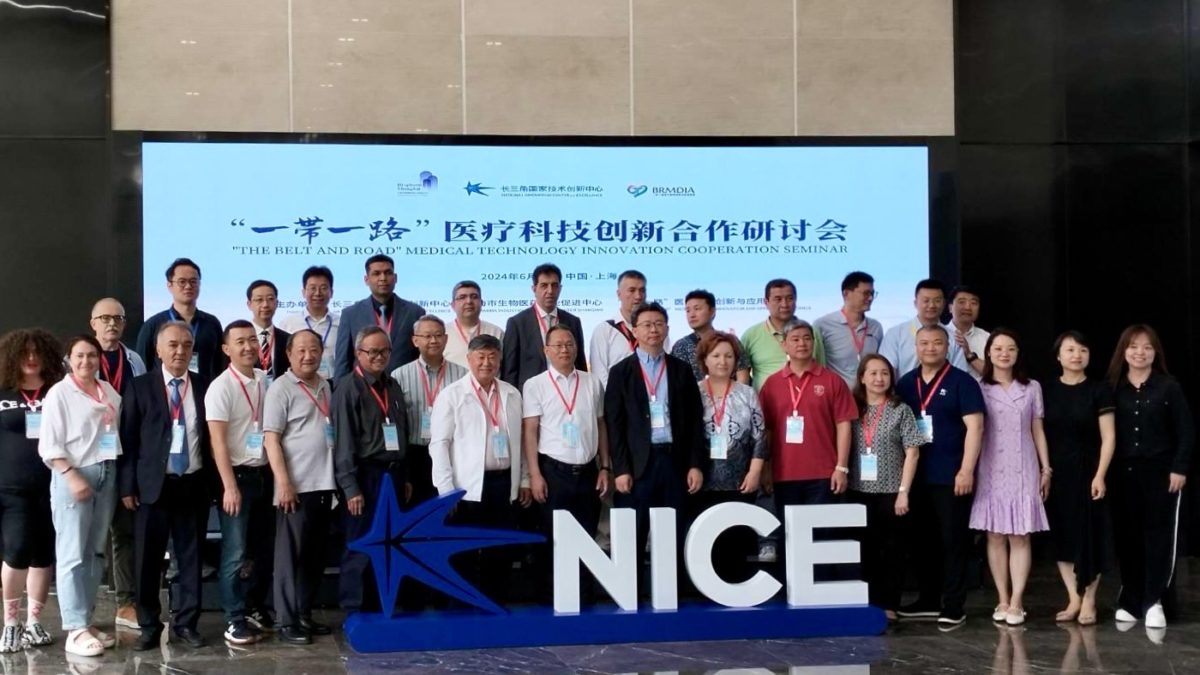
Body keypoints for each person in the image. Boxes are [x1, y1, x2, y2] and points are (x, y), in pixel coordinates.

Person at [119, 322, 212, 650]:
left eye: (186, 345)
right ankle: (148, 624)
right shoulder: (139, 387)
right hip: (151, 487)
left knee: (191, 558)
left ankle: (186, 623)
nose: (179, 351)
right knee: (147, 559)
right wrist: (127, 486)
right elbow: (128, 440)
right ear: (158, 350)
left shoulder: (205, 385)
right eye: (172, 345)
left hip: (193, 484)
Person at [605, 302, 705, 582]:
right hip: (638, 467)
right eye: (647, 325)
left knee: (673, 532)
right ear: (635, 330)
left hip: (674, 462)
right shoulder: (620, 372)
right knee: (634, 534)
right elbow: (615, 425)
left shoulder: (681, 370)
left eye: (659, 324)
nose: (653, 330)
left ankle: (671, 591)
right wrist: (621, 469)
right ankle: (631, 591)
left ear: (667, 329)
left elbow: (695, 422)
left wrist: (695, 464)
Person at [894, 325, 985, 627]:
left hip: (951, 475)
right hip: (916, 476)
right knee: (923, 540)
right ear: (916, 347)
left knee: (953, 540)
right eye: (924, 343)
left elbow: (976, 428)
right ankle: (929, 599)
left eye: (937, 343)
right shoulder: (906, 383)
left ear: (948, 347)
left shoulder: (962, 382)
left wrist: (966, 470)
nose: (930, 348)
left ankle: (954, 604)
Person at [430, 335, 531, 605]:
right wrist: (446, 490)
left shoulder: (512, 393)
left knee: (499, 549)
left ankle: (494, 606)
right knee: (463, 551)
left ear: (500, 360)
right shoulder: (452, 395)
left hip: (503, 484)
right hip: (466, 488)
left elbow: (520, 442)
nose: (487, 363)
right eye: (481, 357)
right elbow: (439, 445)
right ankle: (461, 610)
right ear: (469, 359)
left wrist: (523, 479)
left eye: (492, 357)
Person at [38, 335, 121, 657]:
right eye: (80, 356)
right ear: (69, 360)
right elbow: (49, 444)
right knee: (72, 555)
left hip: (107, 473)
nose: (86, 361)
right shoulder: (60, 393)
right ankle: (74, 628)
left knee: (95, 553)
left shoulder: (107, 390)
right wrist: (71, 475)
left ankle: (86, 621)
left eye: (92, 355)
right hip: (74, 475)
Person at [1106, 324, 1194, 629]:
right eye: (1133, 346)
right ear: (1123, 351)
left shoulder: (1169, 387)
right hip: (1123, 475)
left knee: (1159, 537)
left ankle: (1156, 599)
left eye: (1146, 347)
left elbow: (1186, 431)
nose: (1139, 352)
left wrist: (1179, 467)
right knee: (1128, 537)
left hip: (1162, 475)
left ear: (1155, 352)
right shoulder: (1113, 387)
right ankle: (1132, 598)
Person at [968, 328, 1051, 626]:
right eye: (998, 348)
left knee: (1020, 535)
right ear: (988, 353)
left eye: (1011, 348)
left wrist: (1046, 467)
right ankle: (1002, 598)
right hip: (990, 465)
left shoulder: (1032, 387)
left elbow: (1037, 429)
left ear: (1018, 354)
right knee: (994, 535)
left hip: (1023, 466)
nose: (1004, 353)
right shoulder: (978, 387)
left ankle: (1017, 601)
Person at [522, 324, 609, 598]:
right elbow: (530, 431)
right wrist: (534, 474)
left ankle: (583, 597)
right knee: (554, 537)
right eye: (558, 345)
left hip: (588, 472)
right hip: (553, 472)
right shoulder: (535, 385)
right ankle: (554, 597)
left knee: (587, 535)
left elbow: (601, 425)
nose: (564, 349)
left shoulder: (592, 382)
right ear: (546, 350)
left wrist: (605, 466)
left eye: (569, 344)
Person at [263, 330, 338, 645]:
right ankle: (286, 620)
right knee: (289, 558)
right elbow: (271, 439)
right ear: (289, 354)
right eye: (302, 350)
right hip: (296, 487)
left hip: (324, 484)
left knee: (313, 557)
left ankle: (304, 613)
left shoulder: (326, 385)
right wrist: (283, 483)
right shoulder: (280, 388)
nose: (308, 356)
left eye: (314, 349)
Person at [204, 320, 275, 645]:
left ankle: (253, 607)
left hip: (264, 475)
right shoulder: (221, 387)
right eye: (240, 342)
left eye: (252, 340)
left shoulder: (264, 379)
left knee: (262, 549)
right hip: (236, 477)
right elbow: (217, 443)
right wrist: (229, 486)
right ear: (226, 349)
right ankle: (233, 619)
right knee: (234, 552)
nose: (248, 347)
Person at [333, 326, 408, 615]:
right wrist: (350, 487)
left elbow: (401, 432)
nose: (379, 356)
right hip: (365, 476)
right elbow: (344, 442)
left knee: (389, 542)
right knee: (360, 544)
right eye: (372, 351)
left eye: (384, 351)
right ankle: (355, 610)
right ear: (358, 353)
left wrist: (405, 476)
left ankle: (381, 606)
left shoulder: (393, 385)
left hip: (393, 475)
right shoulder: (348, 388)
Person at [1043, 330, 1114, 626]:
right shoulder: (1046, 390)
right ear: (1059, 356)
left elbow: (1109, 437)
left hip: (1089, 471)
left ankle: (1089, 600)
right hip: (1057, 473)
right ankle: (1073, 597)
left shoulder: (1099, 390)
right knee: (1062, 536)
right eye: (1070, 350)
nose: (1077, 355)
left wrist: (1101, 475)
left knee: (1089, 537)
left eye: (1083, 350)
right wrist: (1044, 470)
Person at [0, 330, 63, 652]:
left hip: (53, 488)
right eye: (25, 352)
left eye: (37, 352)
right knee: (16, 551)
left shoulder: (57, 392)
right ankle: (10, 625)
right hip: (11, 490)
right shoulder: (3, 393)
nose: (31, 357)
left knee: (43, 556)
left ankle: (34, 623)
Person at [848, 354, 922, 621]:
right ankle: (866, 601)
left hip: (892, 492)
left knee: (893, 550)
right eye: (873, 373)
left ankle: (889, 603)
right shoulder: (852, 409)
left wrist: (904, 492)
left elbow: (912, 452)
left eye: (885, 373)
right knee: (864, 548)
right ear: (862, 377)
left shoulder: (900, 409)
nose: (879, 379)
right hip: (858, 491)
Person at [88, 297, 145, 631]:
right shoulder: (78, 357)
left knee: (124, 533)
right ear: (93, 323)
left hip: (125, 455)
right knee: (89, 538)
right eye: (105, 318)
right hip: (89, 457)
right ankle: (84, 612)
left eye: (118, 318)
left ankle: (125, 604)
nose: (112, 324)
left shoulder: (134, 359)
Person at [691, 332, 766, 582]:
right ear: (705, 359)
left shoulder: (747, 393)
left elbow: (759, 436)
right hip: (702, 482)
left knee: (738, 539)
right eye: (716, 356)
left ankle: (739, 588)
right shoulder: (693, 392)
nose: (722, 361)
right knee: (705, 542)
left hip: (740, 481)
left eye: (729, 356)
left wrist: (755, 472)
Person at [760, 322, 856, 506]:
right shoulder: (772, 384)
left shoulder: (833, 381)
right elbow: (767, 430)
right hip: (784, 474)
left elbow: (844, 426)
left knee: (823, 525)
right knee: (788, 525)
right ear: (784, 345)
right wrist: (766, 467)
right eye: (795, 339)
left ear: (813, 342)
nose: (802, 344)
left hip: (825, 474)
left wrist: (842, 467)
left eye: (806, 338)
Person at [392, 316, 467, 507]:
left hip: (451, 454)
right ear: (415, 340)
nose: (433, 341)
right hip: (415, 456)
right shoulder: (399, 375)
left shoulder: (463, 375)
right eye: (427, 336)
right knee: (416, 512)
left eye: (438, 335)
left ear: (446, 339)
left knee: (450, 511)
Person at [334, 255, 425, 378]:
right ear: (366, 279)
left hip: (405, 384)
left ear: (395, 278)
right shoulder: (350, 315)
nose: (383, 278)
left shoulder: (415, 312)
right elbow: (343, 362)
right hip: (363, 386)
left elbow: (421, 356)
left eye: (388, 273)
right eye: (376, 274)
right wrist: (340, 388)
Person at [501, 263, 587, 393]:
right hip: (531, 395)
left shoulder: (573, 322)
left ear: (560, 289)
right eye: (544, 285)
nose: (550, 291)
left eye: (554, 285)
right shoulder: (517, 323)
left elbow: (580, 364)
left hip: (568, 393)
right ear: (534, 289)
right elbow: (510, 371)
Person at [135, 258, 224, 381]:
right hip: (163, 390)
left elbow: (220, 365)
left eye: (193, 281)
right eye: (182, 282)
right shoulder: (153, 324)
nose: (188, 286)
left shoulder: (212, 323)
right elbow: (142, 366)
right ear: (169, 285)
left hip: (204, 389)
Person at [741, 279, 826, 392]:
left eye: (789, 298)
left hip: (808, 398)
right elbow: (742, 375)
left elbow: (821, 368)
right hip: (765, 401)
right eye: (778, 299)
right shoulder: (751, 335)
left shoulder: (811, 332)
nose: (784, 304)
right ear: (766, 302)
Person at [878, 279, 970, 377]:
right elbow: (885, 371)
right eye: (926, 300)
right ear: (915, 303)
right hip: (904, 387)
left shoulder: (953, 336)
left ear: (944, 304)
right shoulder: (895, 334)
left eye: (937, 301)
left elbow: (961, 373)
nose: (932, 305)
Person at [814, 271, 884, 387]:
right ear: (846, 294)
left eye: (872, 293)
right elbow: (816, 363)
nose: (870, 298)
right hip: (836, 394)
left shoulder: (875, 327)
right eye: (866, 293)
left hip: (868, 394)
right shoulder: (823, 325)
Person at [671, 289, 750, 383]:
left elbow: (742, 376)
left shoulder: (730, 341)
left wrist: (733, 393)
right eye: (688, 310)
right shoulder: (681, 346)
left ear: (712, 311)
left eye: (697, 309)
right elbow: (677, 381)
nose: (692, 315)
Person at [590, 270, 651, 388]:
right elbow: (599, 376)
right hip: (617, 397)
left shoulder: (655, 330)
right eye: (632, 290)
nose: (638, 296)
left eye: (642, 290)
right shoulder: (604, 330)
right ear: (619, 294)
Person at [280, 266, 340, 379]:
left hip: (334, 383)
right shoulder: (288, 323)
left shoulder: (341, 323)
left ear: (331, 292)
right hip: (298, 384)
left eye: (323, 288)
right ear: (303, 292)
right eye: (312, 288)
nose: (318, 293)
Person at [444, 281, 504, 368]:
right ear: (453, 305)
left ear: (481, 303)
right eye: (462, 297)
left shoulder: (496, 332)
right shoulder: (442, 333)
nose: (469, 301)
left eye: (474, 297)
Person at [247, 279, 291, 382]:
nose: (265, 305)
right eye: (259, 300)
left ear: (277, 303)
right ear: (249, 304)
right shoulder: (239, 339)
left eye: (270, 299)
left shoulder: (289, 339)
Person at [948, 286, 988, 378]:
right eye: (962, 302)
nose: (968, 307)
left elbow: (996, 375)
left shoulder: (987, 338)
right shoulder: (938, 335)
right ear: (950, 308)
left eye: (973, 303)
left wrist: (969, 355)